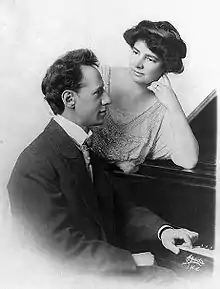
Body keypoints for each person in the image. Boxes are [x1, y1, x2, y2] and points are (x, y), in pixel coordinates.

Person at [7, 49, 198, 278]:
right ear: (69, 99)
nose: (107, 99)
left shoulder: (83, 145)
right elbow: (54, 250)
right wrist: (131, 260)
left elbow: (118, 209)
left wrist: (162, 231)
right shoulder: (34, 165)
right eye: (98, 93)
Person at [92, 20, 199, 174]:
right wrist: (116, 163)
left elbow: (188, 160)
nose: (137, 64)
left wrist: (174, 105)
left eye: (150, 59)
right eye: (136, 52)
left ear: (165, 67)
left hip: (124, 190)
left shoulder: (161, 110)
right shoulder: (100, 78)